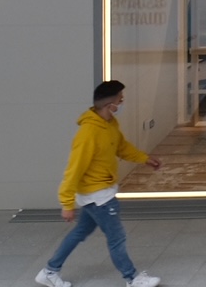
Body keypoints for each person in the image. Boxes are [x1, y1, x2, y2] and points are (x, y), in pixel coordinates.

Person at [38, 79, 162, 287]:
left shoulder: (109, 124)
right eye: (120, 100)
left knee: (80, 232)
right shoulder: (88, 133)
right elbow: (73, 169)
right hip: (99, 197)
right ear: (109, 105)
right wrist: (66, 203)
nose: (122, 103)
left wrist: (144, 158)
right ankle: (132, 278)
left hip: (98, 193)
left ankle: (50, 271)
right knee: (117, 238)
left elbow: (121, 147)